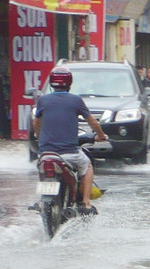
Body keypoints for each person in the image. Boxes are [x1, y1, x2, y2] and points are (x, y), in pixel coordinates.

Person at [33, 66, 108, 214]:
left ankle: (42, 200)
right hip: (69, 154)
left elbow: (37, 123)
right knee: (87, 166)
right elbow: (92, 122)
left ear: (52, 83)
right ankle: (86, 202)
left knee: (42, 169)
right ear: (69, 83)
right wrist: (101, 135)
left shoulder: (43, 100)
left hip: (46, 154)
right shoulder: (76, 100)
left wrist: (38, 135)